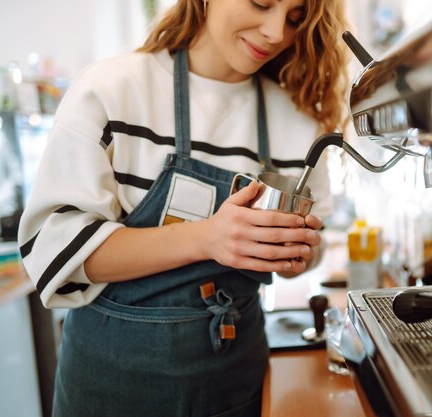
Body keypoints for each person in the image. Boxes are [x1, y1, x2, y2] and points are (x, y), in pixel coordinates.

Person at [18, 1, 349, 416]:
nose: (276, 32)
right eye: (262, 3)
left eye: (295, 17)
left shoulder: (299, 126)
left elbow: (309, 250)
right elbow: (53, 250)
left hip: (237, 385)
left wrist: (295, 254)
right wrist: (208, 239)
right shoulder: (112, 89)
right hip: (110, 389)